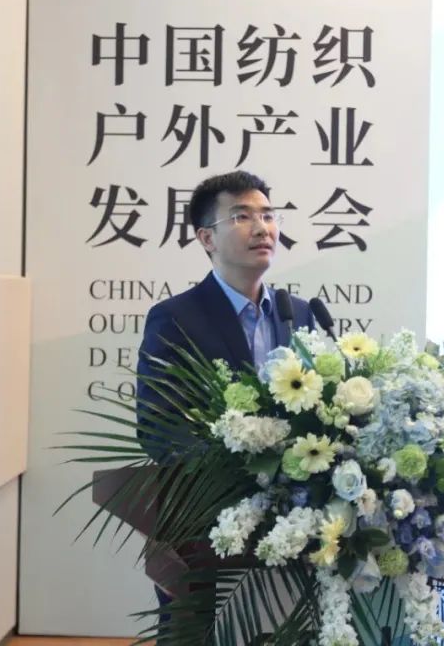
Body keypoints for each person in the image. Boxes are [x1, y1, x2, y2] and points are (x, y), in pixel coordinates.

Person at [134, 170, 315, 639]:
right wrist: (240, 463)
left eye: (268, 216)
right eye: (241, 216)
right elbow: (157, 427)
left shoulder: (301, 314)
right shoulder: (175, 318)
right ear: (206, 238)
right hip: (203, 525)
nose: (262, 228)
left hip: (294, 520)